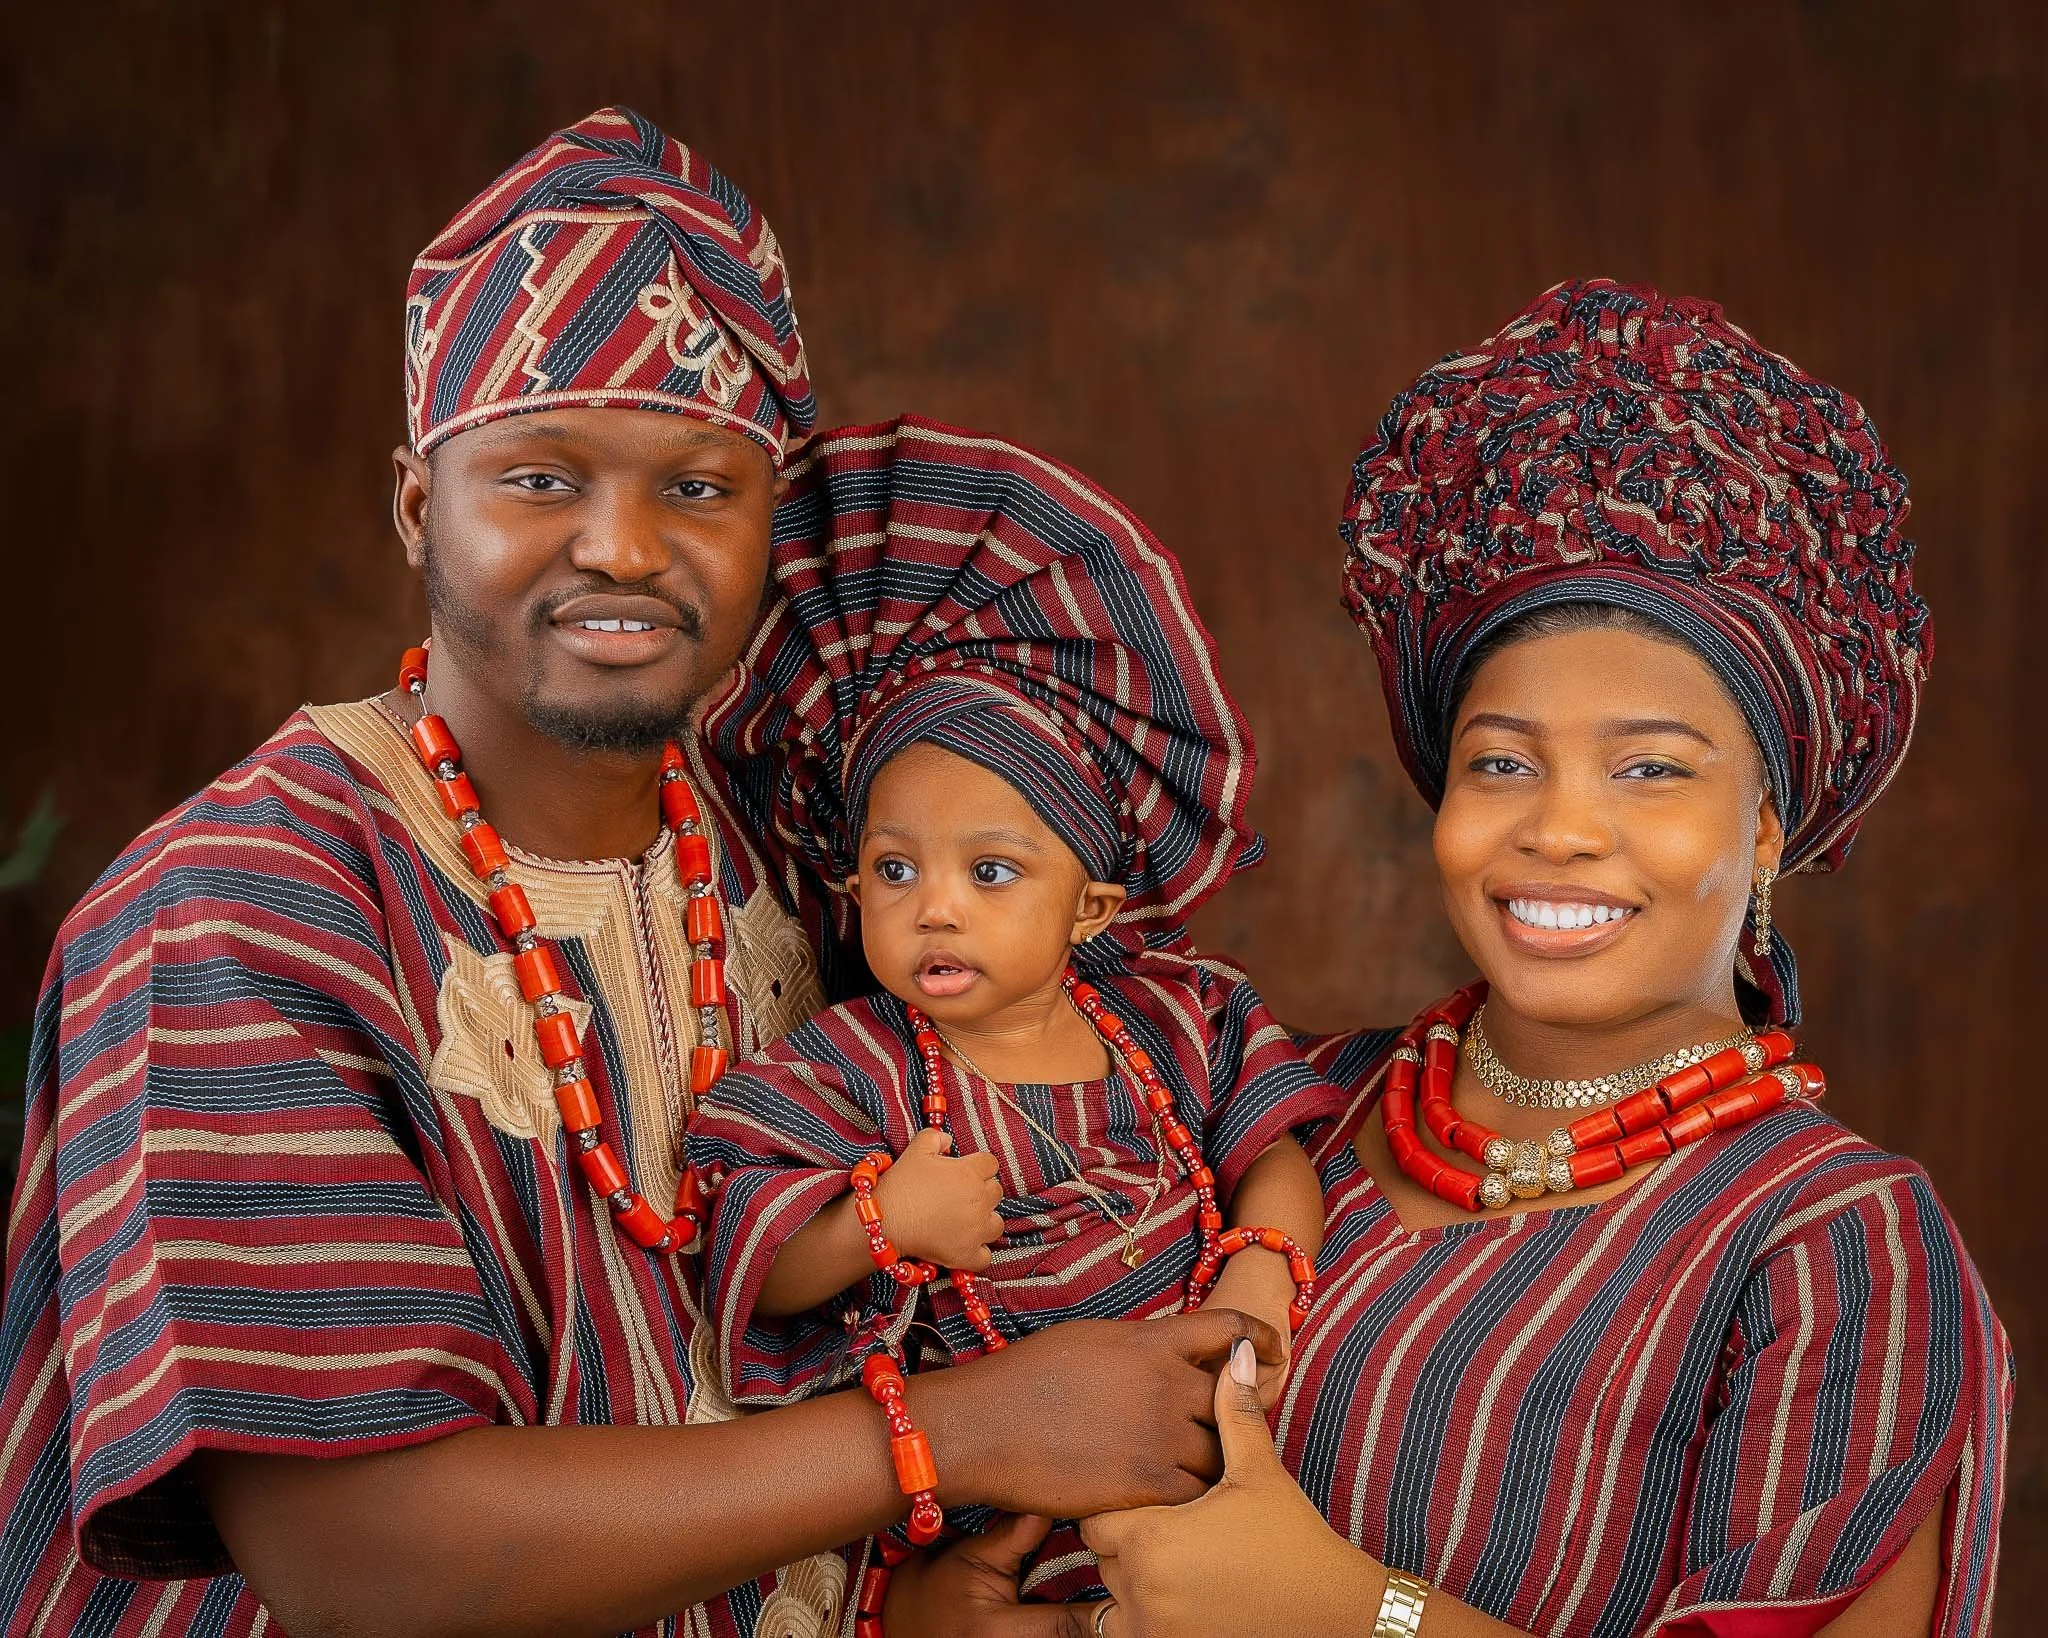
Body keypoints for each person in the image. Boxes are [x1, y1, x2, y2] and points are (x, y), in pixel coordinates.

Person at [0, 108, 1278, 1638]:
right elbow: (356, 1555)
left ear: (768, 521)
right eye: (540, 478)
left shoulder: (797, 863)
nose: (621, 547)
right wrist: (963, 1430)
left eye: (696, 486)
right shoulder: (238, 907)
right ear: (420, 503)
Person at [940, 280, 2011, 1637]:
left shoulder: (1834, 1246)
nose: (1561, 827)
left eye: (1650, 769)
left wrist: (1350, 1611)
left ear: (1765, 824)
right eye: (1502, 761)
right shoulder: (1280, 1107)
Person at [684, 414, 1340, 1608]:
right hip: (995, 1516)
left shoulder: (1173, 1021)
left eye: (988, 874)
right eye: (894, 871)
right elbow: (754, 1251)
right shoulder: (861, 1063)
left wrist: (1258, 1276)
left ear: (1088, 907)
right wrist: (877, 1224)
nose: (934, 911)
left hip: (1219, 1465)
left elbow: (1273, 1154)